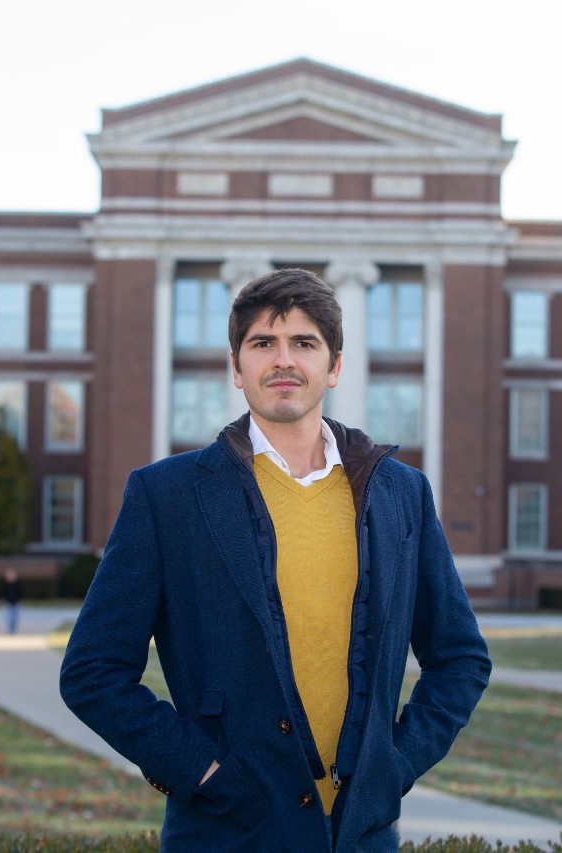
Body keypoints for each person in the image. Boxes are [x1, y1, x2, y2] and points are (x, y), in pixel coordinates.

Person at [60, 268, 490, 852]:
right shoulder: (167, 495)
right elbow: (92, 673)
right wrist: (201, 772)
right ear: (236, 368)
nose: (283, 360)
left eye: (304, 343)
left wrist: (396, 766)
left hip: (360, 838)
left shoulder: (401, 493)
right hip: (227, 832)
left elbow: (460, 657)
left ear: (334, 366)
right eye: (263, 343)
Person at [1, 569, 22, 635]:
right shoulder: (6, 584)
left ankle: (13, 628)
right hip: (8, 603)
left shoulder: (17, 584)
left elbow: (20, 592)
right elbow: (3, 592)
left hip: (16, 602)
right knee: (9, 617)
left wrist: (18, 598)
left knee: (15, 617)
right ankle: (10, 630)